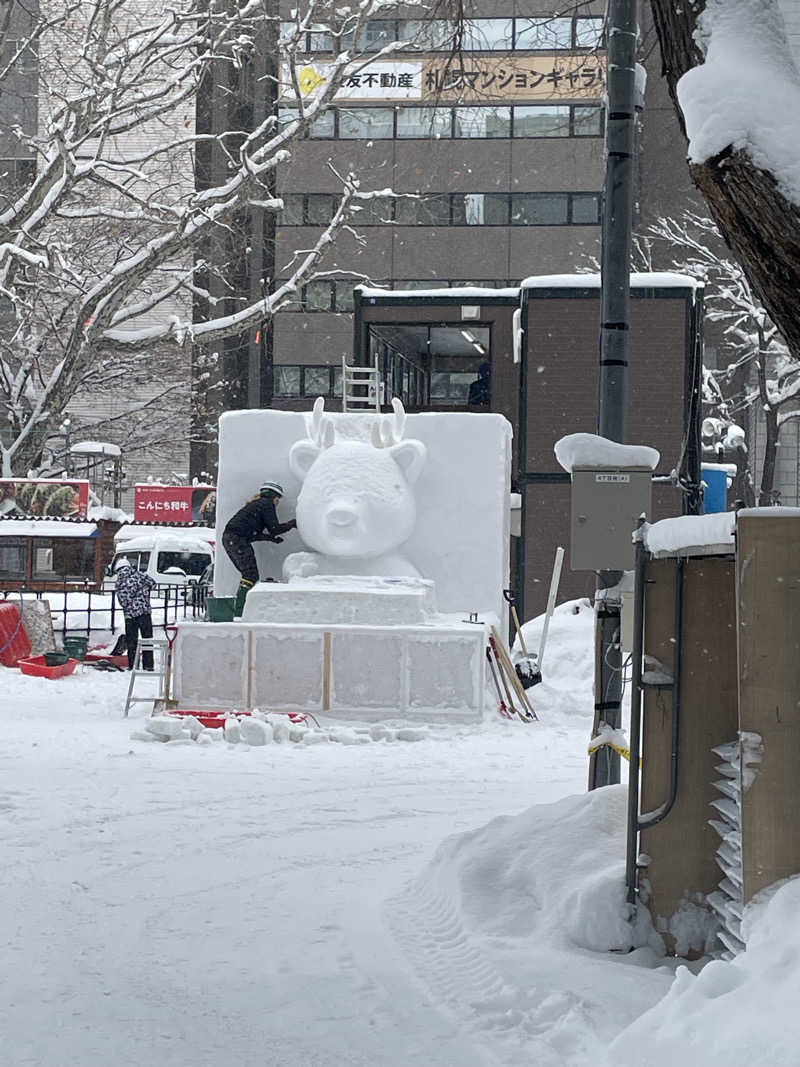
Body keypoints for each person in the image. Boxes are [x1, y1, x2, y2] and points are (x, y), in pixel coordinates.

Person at [222, 481, 297, 605]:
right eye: (278, 499)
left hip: (229, 539)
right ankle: (241, 608)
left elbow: (252, 533)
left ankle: (241, 606)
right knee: (250, 575)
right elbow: (275, 529)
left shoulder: (257, 504)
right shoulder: (267, 504)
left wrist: (270, 539)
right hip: (237, 540)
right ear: (273, 496)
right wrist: (292, 524)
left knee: (248, 574)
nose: (278, 502)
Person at [114, 556, 156, 670]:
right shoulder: (140, 575)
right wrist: (143, 593)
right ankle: (148, 665)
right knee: (147, 640)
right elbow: (153, 583)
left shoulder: (120, 582)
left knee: (132, 642)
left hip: (130, 616)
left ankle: (133, 665)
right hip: (145, 612)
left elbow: (124, 601)